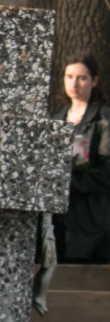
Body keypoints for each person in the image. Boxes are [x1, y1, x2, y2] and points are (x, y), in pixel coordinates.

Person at [51, 53, 110, 263]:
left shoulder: (103, 120)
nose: (74, 83)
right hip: (59, 220)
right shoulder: (57, 119)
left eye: (82, 78)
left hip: (92, 219)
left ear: (94, 81)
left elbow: (106, 173)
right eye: (69, 76)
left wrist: (68, 183)